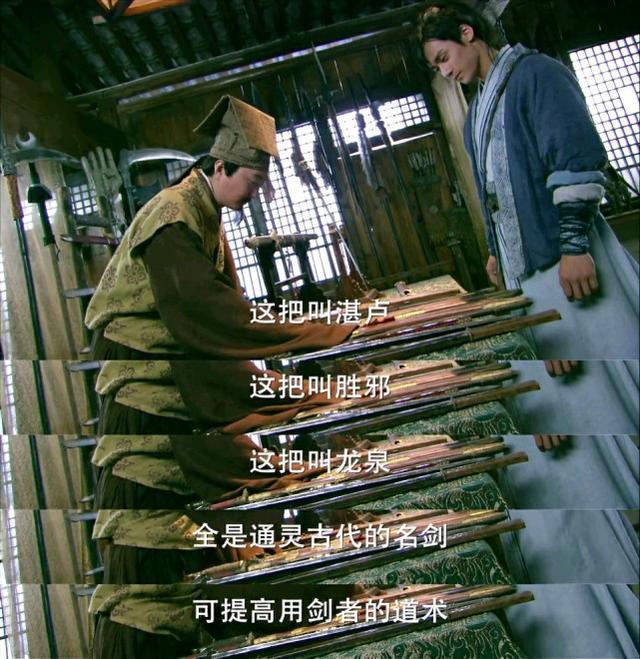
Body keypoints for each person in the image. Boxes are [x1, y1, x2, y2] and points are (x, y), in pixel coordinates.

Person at [418, 2, 638, 362]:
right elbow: (490, 190)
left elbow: (574, 157)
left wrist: (574, 247)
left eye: (443, 58)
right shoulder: (476, 115)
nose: (444, 71)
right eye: (436, 67)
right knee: (568, 367)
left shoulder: (537, 74)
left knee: (612, 351)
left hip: (567, 249)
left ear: (466, 33)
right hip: (525, 263)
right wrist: (495, 249)